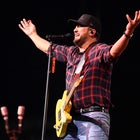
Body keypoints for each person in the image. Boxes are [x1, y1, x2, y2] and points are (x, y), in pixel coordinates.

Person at [18, 11, 140, 140]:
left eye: (79, 26)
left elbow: (113, 52)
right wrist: (32, 34)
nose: (75, 29)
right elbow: (48, 48)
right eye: (75, 27)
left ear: (92, 32)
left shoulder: (99, 50)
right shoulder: (71, 52)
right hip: (70, 121)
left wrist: (127, 33)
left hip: (93, 117)